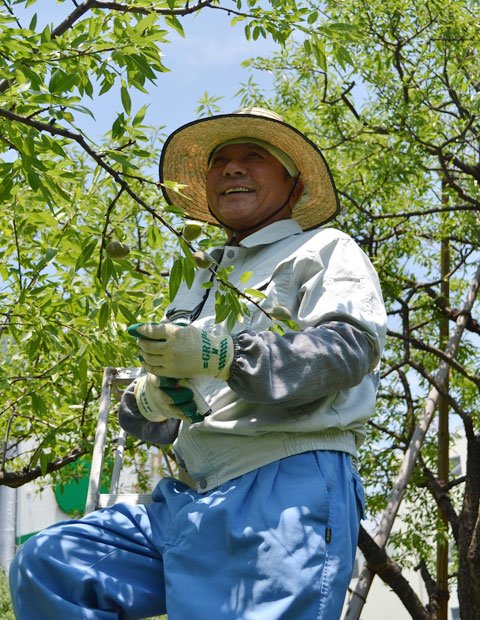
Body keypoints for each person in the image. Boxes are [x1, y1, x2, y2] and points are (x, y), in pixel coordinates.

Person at [9, 107, 387, 620]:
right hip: (188, 494)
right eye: (220, 161)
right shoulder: (198, 276)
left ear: (294, 186)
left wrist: (227, 355)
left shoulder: (323, 249)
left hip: (282, 484)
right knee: (51, 564)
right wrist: (151, 400)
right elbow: (170, 410)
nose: (232, 168)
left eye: (254, 156)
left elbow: (347, 351)